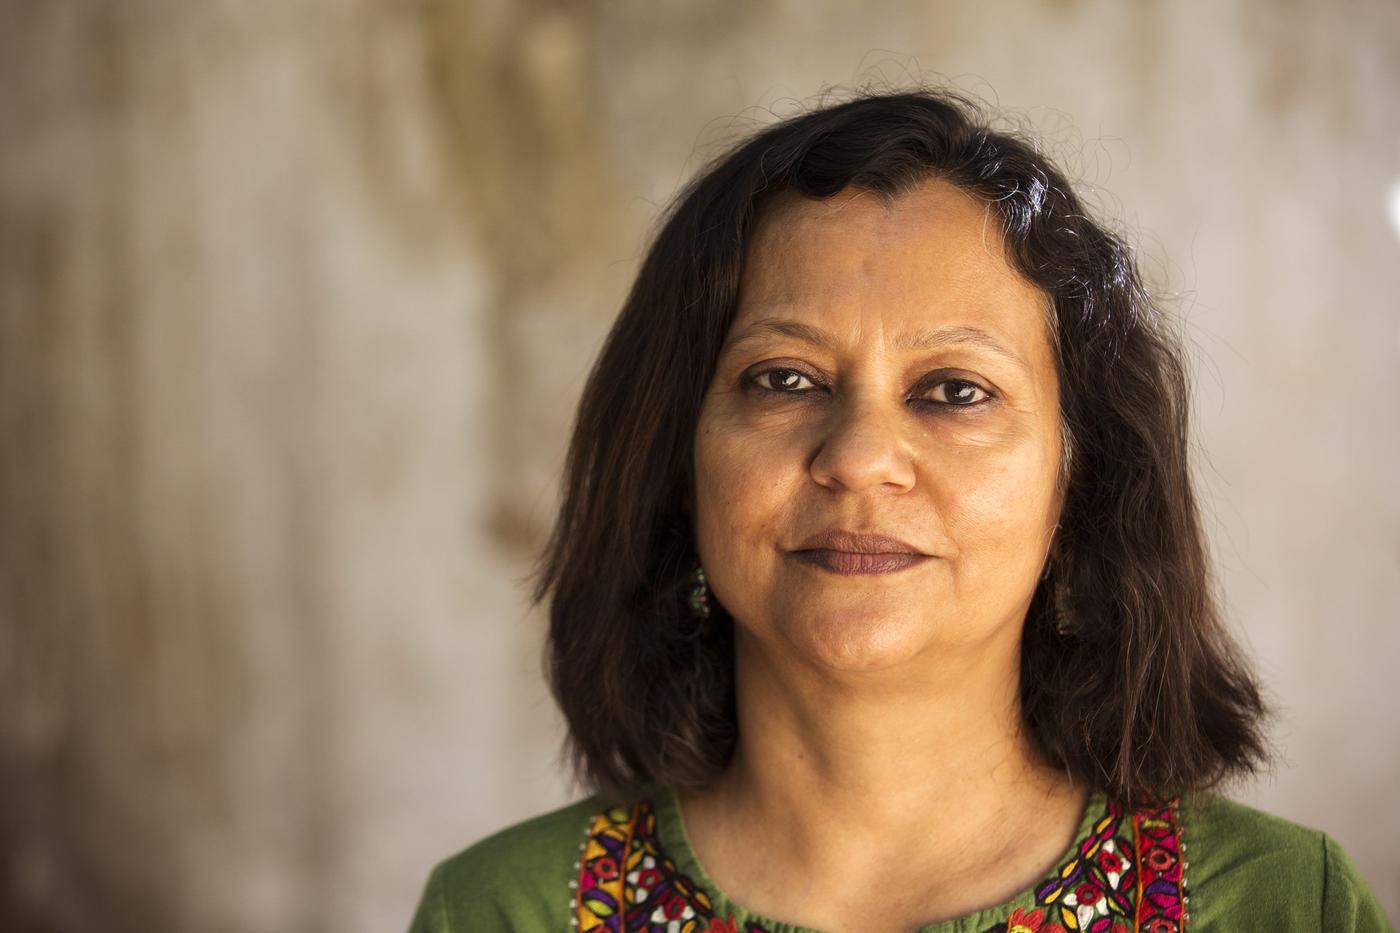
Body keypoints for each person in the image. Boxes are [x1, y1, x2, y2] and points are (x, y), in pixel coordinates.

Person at [406, 88, 1392, 932]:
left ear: (1078, 478)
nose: (860, 457)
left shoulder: (1282, 906)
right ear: (674, 458)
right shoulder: (502, 910)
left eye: (953, 390)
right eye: (783, 377)